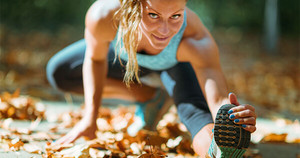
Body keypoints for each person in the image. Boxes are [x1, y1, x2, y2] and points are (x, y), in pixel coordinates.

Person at [46, 0, 257, 157]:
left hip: (175, 62)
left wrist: (231, 116)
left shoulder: (194, 38)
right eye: (153, 15)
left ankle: (215, 152)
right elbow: (95, 60)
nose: (165, 31)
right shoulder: (103, 17)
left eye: (176, 16)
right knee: (60, 72)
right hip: (124, 55)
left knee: (194, 111)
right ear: (131, 6)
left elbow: (218, 98)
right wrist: (90, 118)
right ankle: (151, 97)